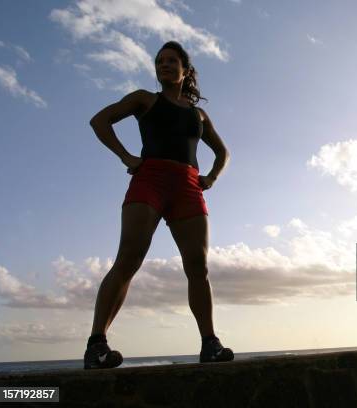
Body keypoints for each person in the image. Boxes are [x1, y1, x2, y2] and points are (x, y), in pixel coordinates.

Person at [83, 41, 233, 369]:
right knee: (129, 258)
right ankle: (97, 345)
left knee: (198, 265)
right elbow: (99, 121)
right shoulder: (144, 99)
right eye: (159, 61)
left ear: (185, 70)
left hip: (188, 186)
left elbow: (223, 153)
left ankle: (210, 343)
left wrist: (210, 178)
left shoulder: (199, 114)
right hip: (149, 179)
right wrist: (125, 156)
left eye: (171, 61)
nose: (164, 65)